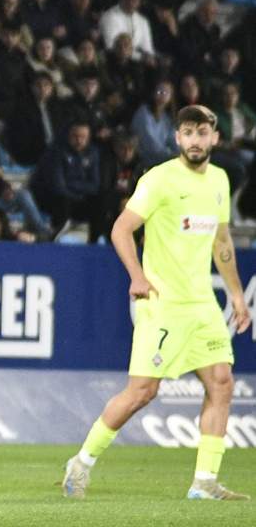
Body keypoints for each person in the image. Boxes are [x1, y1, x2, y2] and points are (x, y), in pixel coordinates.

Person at [64, 106, 251, 502]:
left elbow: (221, 242)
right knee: (142, 392)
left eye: (202, 132)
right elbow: (121, 229)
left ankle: (204, 482)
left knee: (221, 383)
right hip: (163, 304)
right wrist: (136, 275)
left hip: (201, 304)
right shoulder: (160, 179)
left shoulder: (219, 180)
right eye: (188, 132)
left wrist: (236, 294)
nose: (195, 139)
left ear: (215, 138)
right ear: (178, 138)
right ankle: (81, 462)